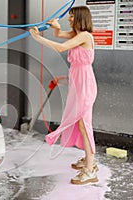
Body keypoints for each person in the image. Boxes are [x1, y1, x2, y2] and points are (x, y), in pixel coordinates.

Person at [29, 6, 98, 185]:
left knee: (84, 124)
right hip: (78, 83)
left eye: (71, 17)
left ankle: (90, 169)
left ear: (80, 18)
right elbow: (60, 36)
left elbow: (61, 48)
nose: (69, 20)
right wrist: (56, 27)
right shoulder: (77, 35)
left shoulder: (84, 36)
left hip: (84, 84)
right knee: (81, 123)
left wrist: (37, 38)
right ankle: (90, 160)